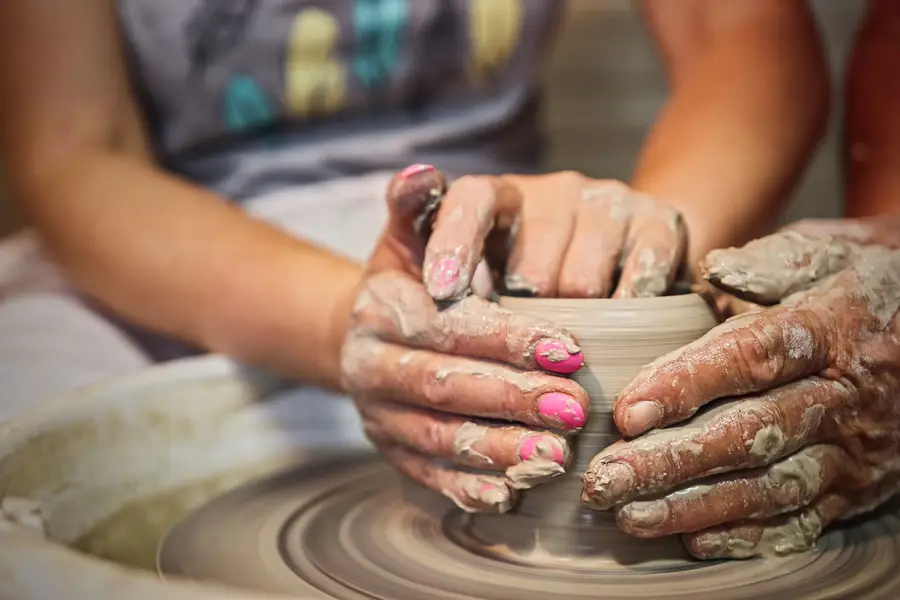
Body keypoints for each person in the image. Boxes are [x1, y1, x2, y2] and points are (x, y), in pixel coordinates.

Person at [0, 0, 896, 560]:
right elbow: (76, 152)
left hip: (481, 233)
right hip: (162, 247)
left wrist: (641, 262)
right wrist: (347, 327)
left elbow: (737, 35)